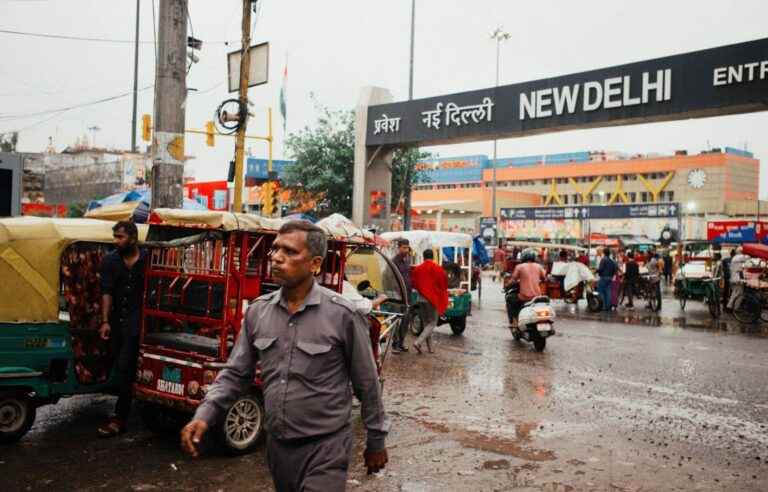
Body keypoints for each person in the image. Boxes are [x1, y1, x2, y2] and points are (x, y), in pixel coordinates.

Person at [181, 221, 389, 490]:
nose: (276, 257)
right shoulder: (258, 312)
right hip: (279, 448)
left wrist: (376, 440)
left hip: (326, 447)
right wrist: (204, 414)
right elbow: (235, 373)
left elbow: (367, 384)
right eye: (275, 249)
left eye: (289, 252)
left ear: (315, 264)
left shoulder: (342, 316)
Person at [97, 221, 146, 437]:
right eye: (115, 236)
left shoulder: (147, 259)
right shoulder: (110, 261)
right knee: (120, 365)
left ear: (133, 238)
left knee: (126, 366)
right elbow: (106, 292)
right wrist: (105, 321)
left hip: (140, 323)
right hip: (117, 321)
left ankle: (120, 418)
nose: (116, 241)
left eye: (120, 237)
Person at [411, 249, 449, 354]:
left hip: (420, 299)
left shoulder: (417, 269)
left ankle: (430, 349)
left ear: (423, 257)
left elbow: (413, 283)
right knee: (432, 323)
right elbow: (444, 283)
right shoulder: (438, 268)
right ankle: (418, 342)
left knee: (426, 324)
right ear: (433, 257)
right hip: (432, 300)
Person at [509, 250, 547, 326]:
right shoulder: (539, 266)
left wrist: (508, 285)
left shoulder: (519, 267)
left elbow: (513, 280)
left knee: (510, 298)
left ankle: (514, 321)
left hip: (524, 297)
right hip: (537, 296)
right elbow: (544, 278)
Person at [390, 239, 412, 353]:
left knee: (406, 319)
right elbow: (388, 277)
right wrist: (395, 292)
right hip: (397, 296)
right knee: (396, 320)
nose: (406, 250)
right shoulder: (393, 261)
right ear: (398, 248)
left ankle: (401, 343)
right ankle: (395, 344)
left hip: (407, 295)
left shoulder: (408, 260)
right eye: (403, 247)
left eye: (407, 248)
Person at [596, 248, 617, 312]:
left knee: (601, 292)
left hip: (603, 277)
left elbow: (601, 269)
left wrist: (596, 271)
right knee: (608, 292)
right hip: (610, 278)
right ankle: (608, 306)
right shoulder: (612, 261)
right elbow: (614, 270)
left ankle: (603, 306)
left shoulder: (603, 260)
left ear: (604, 253)